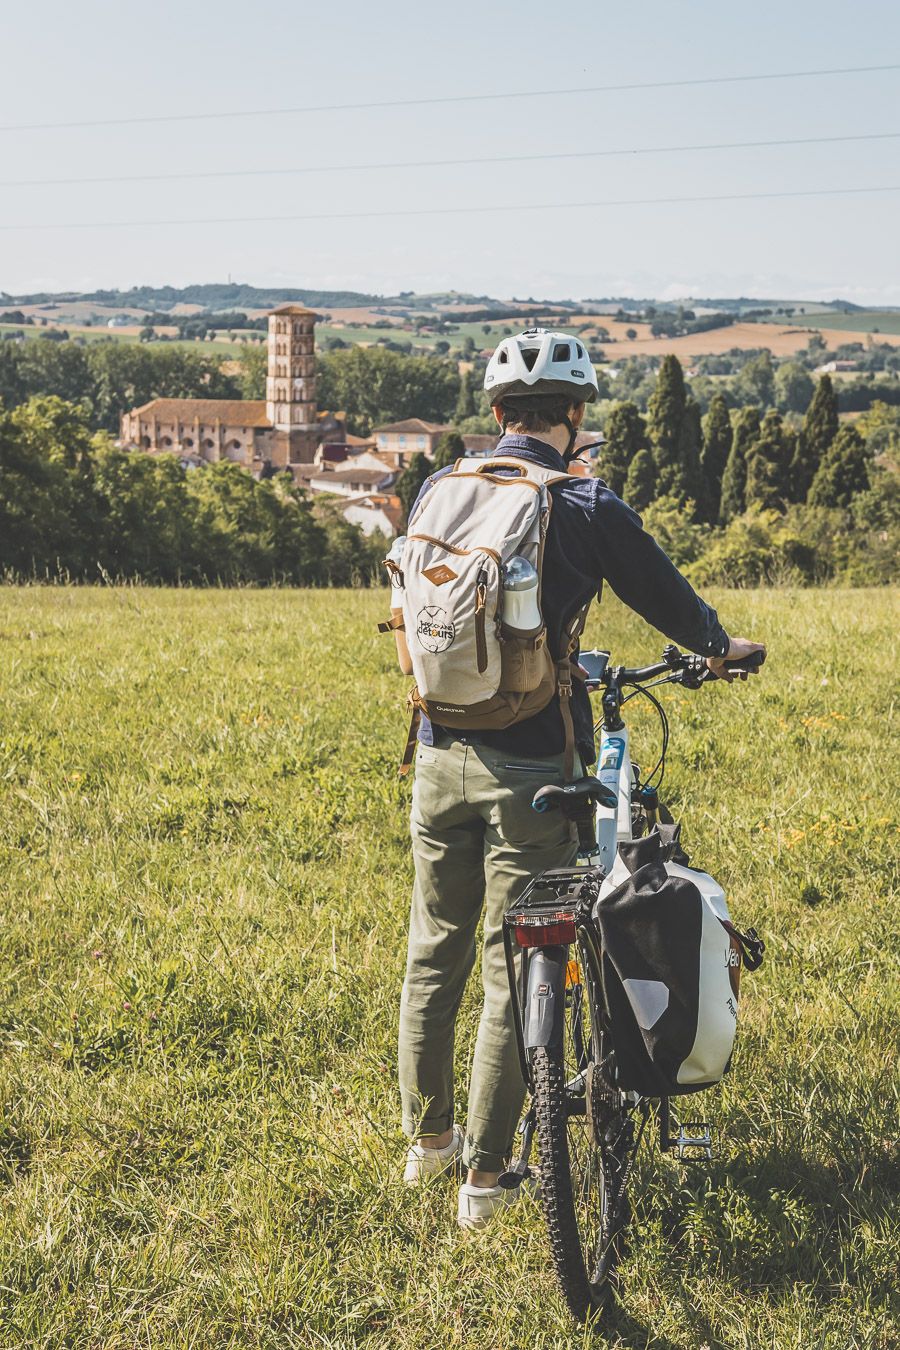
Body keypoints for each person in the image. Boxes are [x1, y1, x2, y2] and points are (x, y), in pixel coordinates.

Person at [395, 330, 765, 1229]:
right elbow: (663, 594)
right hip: (533, 765)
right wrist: (718, 650)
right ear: (575, 414)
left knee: (432, 947)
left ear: (493, 416)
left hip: (437, 754)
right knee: (509, 967)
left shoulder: (439, 489)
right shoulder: (582, 501)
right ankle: (484, 1181)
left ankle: (426, 1141)